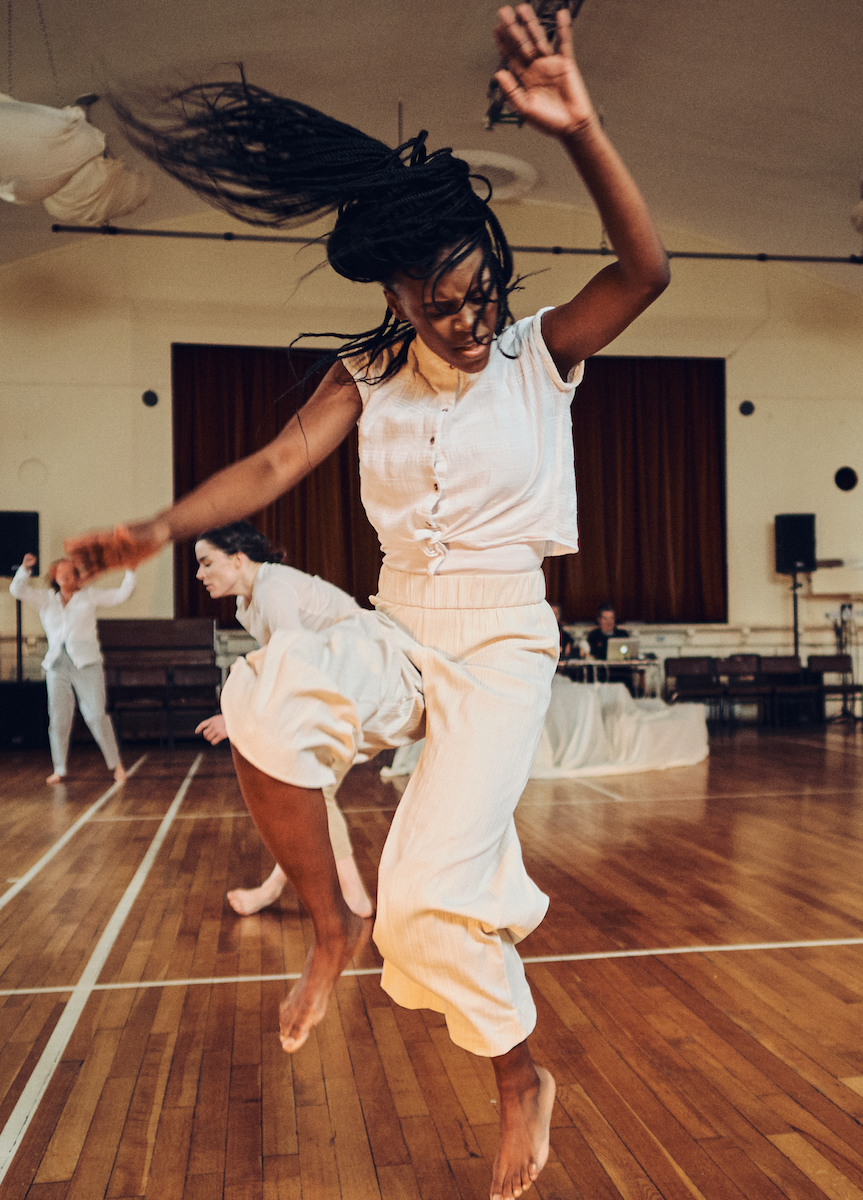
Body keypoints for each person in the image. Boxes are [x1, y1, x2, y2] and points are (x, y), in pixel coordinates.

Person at [68, 9, 669, 1197]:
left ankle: (517, 1080)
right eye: (445, 304)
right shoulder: (367, 379)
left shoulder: (540, 355)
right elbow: (272, 469)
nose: (472, 319)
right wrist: (154, 527)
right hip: (398, 626)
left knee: (432, 902)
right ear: (399, 296)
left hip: (502, 641)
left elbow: (644, 271)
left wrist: (583, 123)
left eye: (483, 292)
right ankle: (326, 929)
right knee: (267, 697)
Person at [191, 521, 374, 919]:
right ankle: (276, 889)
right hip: (337, 682)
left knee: (313, 793)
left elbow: (291, 655)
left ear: (238, 560)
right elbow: (282, 661)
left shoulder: (273, 588)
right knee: (303, 789)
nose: (199, 574)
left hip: (365, 682)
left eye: (206, 563)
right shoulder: (249, 604)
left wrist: (235, 717)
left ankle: (352, 896)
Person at [9, 553, 134, 786]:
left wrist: (131, 571)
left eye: (70, 573)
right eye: (61, 574)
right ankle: (60, 768)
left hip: (87, 663)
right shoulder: (46, 599)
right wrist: (24, 570)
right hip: (57, 664)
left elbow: (120, 595)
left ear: (77, 576)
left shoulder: (89, 596)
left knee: (96, 715)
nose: (65, 577)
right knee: (58, 718)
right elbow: (17, 590)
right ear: (55, 577)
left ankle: (116, 765)